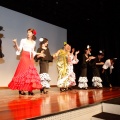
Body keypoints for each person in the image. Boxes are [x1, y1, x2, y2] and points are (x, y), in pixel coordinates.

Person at [8, 28, 44, 95]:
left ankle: (30, 89)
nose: (28, 33)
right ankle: (21, 89)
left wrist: (39, 54)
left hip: (30, 58)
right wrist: (16, 43)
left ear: (33, 34)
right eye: (27, 32)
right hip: (24, 56)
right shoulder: (23, 40)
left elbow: (33, 51)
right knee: (24, 71)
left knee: (30, 73)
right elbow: (19, 49)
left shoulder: (34, 42)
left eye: (30, 32)